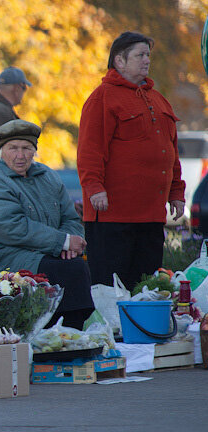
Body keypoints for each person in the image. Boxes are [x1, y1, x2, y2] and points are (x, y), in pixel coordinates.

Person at [77, 31, 185, 290]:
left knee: (145, 287)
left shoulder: (158, 100)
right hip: (113, 216)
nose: (146, 60)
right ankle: (111, 332)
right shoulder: (102, 98)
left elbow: (170, 153)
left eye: (148, 55)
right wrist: (94, 188)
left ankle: (141, 331)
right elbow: (90, 150)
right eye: (139, 55)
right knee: (111, 289)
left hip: (150, 216)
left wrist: (176, 192)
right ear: (119, 61)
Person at [0, 120, 94, 329]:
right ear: (1, 151)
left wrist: (70, 244)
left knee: (75, 266)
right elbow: (10, 227)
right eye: (13, 148)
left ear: (34, 151)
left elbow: (70, 218)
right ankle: (55, 332)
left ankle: (70, 332)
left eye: (26, 148)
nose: (20, 155)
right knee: (67, 271)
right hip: (2, 256)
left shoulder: (47, 175)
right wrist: (62, 242)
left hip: (43, 251)